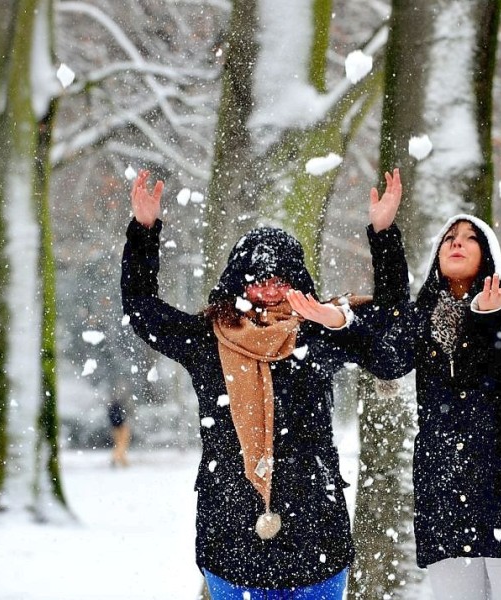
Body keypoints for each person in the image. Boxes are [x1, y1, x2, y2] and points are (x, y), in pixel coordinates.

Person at [121, 169, 409, 598]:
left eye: (281, 279)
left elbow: (390, 316)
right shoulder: (208, 338)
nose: (270, 290)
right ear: (239, 281)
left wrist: (383, 232)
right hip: (232, 537)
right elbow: (141, 309)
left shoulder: (319, 331)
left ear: (298, 282)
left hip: (316, 540)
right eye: (259, 279)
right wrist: (145, 232)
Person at [368, 169, 501, 600]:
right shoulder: (423, 320)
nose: (456, 242)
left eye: (469, 237)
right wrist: (383, 235)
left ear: (488, 255)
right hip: (444, 493)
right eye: (449, 237)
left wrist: (485, 315)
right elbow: (390, 349)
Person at [107, 397, 131, 467]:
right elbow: (122, 418)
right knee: (122, 445)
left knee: (119, 445)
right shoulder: (119, 409)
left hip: (115, 428)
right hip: (121, 427)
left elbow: (111, 419)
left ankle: (121, 460)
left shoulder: (111, 410)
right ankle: (118, 459)